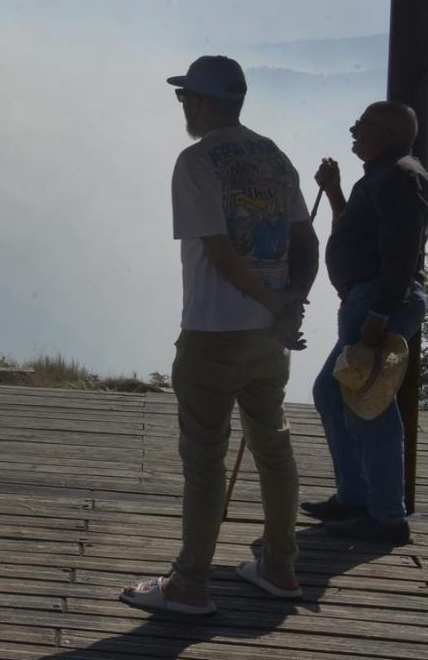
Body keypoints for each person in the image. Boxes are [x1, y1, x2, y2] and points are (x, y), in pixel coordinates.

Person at [120, 56, 318, 617]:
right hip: (267, 339)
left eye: (185, 98)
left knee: (204, 460)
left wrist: (276, 302)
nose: (182, 106)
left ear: (201, 103)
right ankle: (280, 566)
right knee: (273, 448)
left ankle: (190, 584)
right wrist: (290, 302)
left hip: (213, 332)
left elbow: (220, 251)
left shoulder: (196, 161)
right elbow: (306, 241)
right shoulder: (274, 156)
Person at [303, 101, 428, 545]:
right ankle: (357, 498)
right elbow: (358, 231)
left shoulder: (400, 175)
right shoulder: (384, 174)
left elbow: (403, 250)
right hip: (371, 299)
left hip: (379, 301)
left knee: (370, 405)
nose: (353, 130)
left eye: (363, 125)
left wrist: (379, 312)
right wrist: (336, 190)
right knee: (335, 393)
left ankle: (386, 517)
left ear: (388, 134)